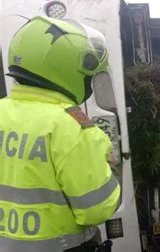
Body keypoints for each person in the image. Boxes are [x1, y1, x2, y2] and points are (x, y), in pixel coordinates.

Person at [0, 16, 121, 252]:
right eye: (88, 77)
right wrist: (110, 169)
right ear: (67, 70)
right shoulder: (72, 127)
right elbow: (97, 208)